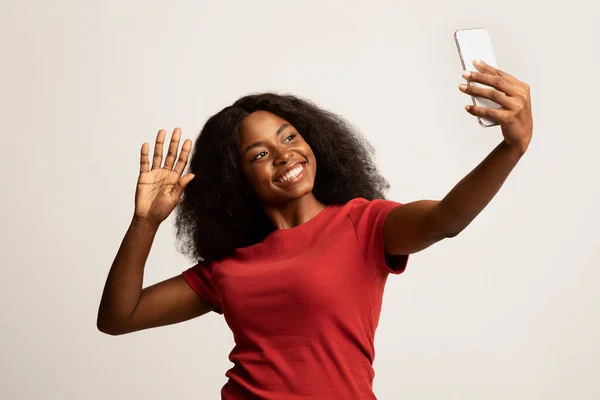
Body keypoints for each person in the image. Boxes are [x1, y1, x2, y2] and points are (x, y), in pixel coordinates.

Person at [97, 60, 533, 399]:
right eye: (259, 155)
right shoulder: (230, 267)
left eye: (289, 138)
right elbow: (120, 317)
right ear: (238, 179)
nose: (284, 155)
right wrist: (145, 222)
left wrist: (511, 148)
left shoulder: (364, 224)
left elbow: (446, 220)